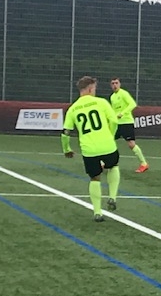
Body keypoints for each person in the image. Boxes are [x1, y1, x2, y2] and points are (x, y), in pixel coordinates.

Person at [61, 76, 121, 222]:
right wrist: (111, 136)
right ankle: (112, 196)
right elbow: (114, 121)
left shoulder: (73, 108)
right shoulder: (101, 102)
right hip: (107, 145)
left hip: (89, 150)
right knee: (113, 166)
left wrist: (66, 149)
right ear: (89, 89)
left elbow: (65, 132)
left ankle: (97, 212)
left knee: (95, 178)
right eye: (94, 88)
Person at [109, 77, 149, 173]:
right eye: (113, 83)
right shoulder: (112, 97)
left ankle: (144, 164)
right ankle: (105, 162)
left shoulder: (123, 93)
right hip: (116, 124)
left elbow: (132, 104)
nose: (115, 85)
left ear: (120, 84)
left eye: (116, 83)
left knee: (131, 144)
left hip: (126, 122)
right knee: (108, 141)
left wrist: (122, 113)